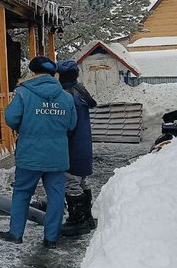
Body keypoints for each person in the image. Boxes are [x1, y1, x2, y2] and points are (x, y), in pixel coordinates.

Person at [0, 56, 77, 249]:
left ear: (33, 72)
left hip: (30, 154)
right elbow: (71, 124)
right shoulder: (66, 96)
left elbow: (11, 118)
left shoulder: (23, 93)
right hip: (57, 156)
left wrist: (25, 126)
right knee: (57, 196)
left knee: (22, 193)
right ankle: (51, 238)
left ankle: (16, 233)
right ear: (53, 74)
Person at [57, 60, 98, 237]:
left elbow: (67, 125)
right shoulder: (81, 91)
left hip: (72, 145)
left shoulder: (67, 96)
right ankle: (88, 217)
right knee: (82, 180)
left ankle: (77, 220)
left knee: (70, 181)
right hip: (83, 144)